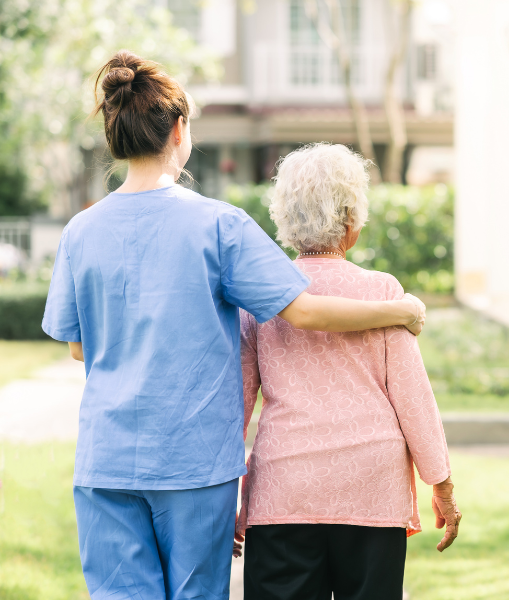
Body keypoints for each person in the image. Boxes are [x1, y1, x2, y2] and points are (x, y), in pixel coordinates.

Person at [41, 51, 426, 600]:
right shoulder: (219, 225)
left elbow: (79, 347)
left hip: (106, 461)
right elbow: (304, 310)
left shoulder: (80, 231)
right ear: (179, 130)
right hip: (194, 464)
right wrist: (399, 311)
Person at [234, 143, 461, 600]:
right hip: (371, 490)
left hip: (284, 490)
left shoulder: (261, 298)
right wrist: (442, 487)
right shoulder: (383, 292)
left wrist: (227, 498)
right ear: (352, 221)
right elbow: (414, 400)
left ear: (285, 218)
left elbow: (233, 407)